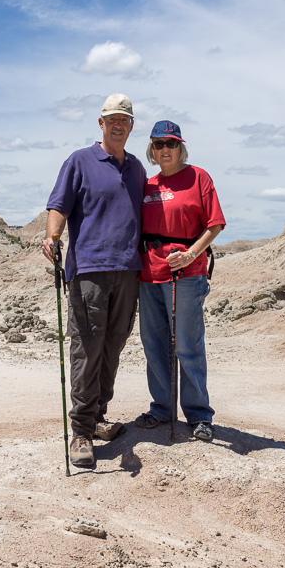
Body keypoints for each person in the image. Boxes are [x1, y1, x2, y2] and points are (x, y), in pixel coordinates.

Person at [42, 93, 146, 467]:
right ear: (100, 123)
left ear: (131, 126)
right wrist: (53, 236)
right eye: (112, 119)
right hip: (89, 270)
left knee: (113, 346)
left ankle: (98, 415)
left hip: (128, 270)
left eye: (125, 119)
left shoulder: (136, 168)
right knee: (87, 348)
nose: (119, 124)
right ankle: (81, 433)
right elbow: (58, 205)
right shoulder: (79, 161)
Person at [135, 120, 225, 441]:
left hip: (186, 275)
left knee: (187, 344)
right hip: (149, 276)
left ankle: (199, 414)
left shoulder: (199, 177)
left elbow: (214, 225)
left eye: (171, 144)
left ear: (181, 147)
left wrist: (189, 254)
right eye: (159, 145)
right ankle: (162, 408)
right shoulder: (147, 185)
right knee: (154, 344)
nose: (165, 150)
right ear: (152, 149)